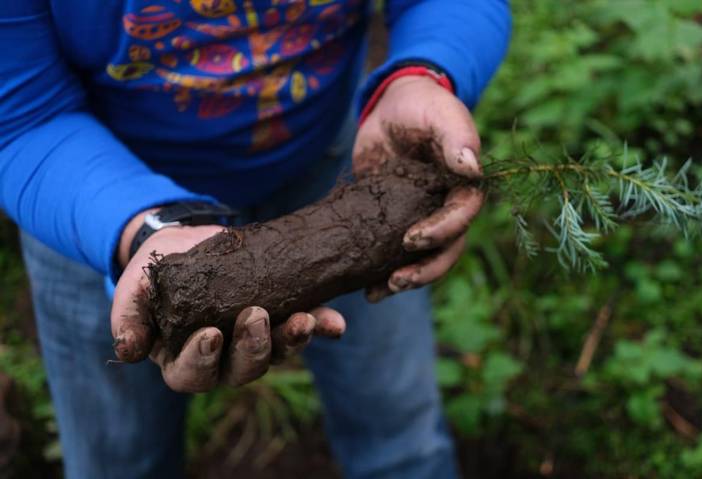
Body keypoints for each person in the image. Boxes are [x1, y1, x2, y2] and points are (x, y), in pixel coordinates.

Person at [0, 1, 511, 477]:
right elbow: (19, 118)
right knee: (120, 459)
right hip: (91, 200)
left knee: (402, 437)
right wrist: (140, 225)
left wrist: (424, 72)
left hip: (344, 167)